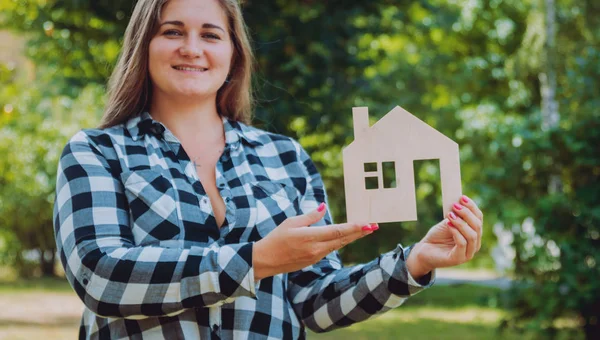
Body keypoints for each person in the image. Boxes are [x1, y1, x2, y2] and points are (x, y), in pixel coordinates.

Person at [53, 0, 484, 339]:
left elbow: (313, 301)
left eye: (211, 34)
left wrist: (414, 262)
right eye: (173, 31)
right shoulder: (98, 152)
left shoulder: (284, 158)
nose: (192, 48)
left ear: (233, 54)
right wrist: (255, 260)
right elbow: (101, 276)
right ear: (143, 45)